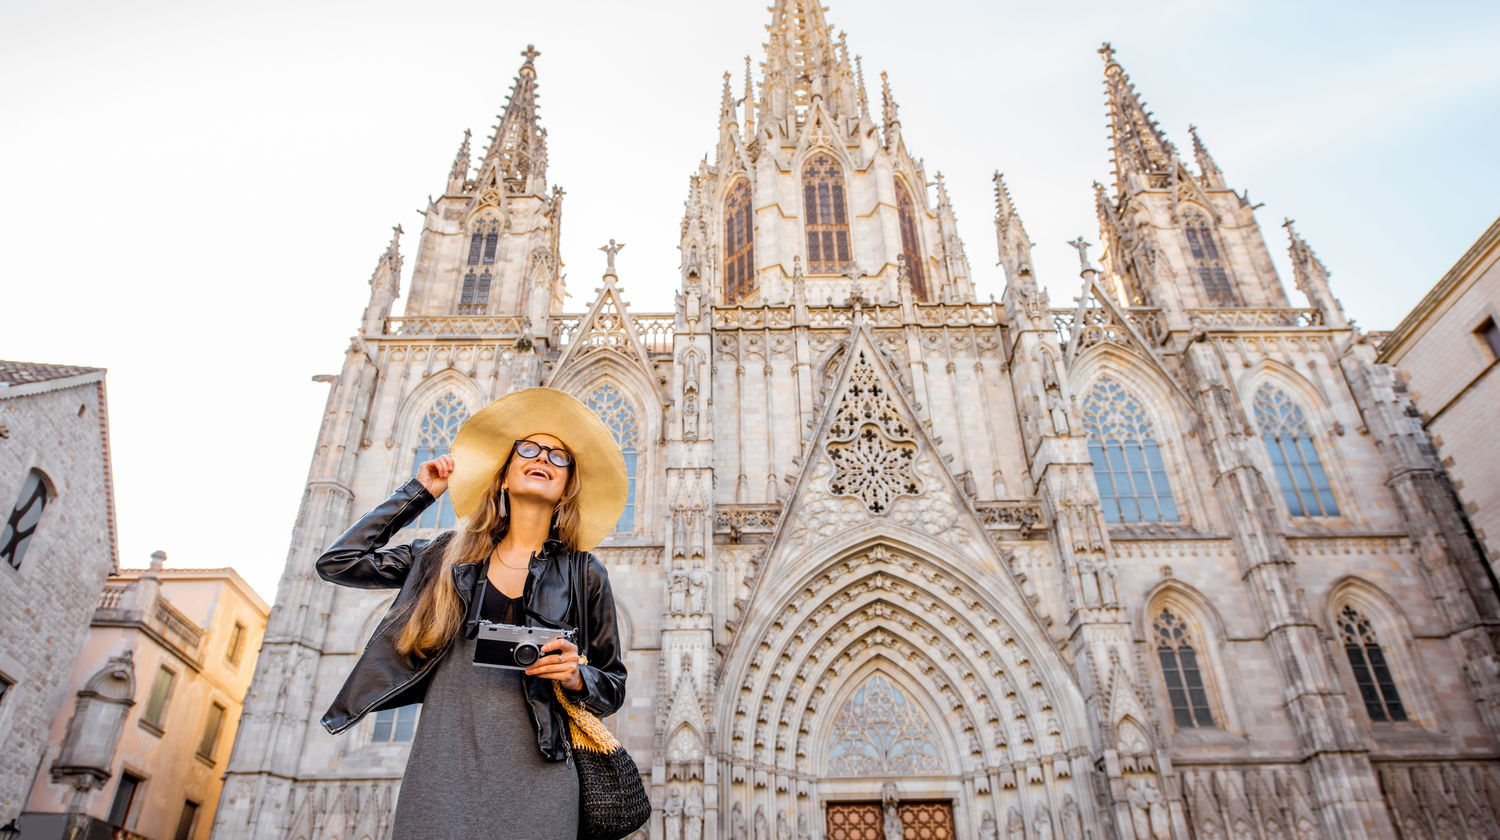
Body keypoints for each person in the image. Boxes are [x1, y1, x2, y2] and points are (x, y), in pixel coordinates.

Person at [316, 387, 630, 838]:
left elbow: (613, 684)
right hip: (444, 763)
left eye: (558, 457)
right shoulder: (442, 557)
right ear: (503, 476)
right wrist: (419, 493)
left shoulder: (584, 572)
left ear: (565, 488)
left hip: (540, 770)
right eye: (529, 448)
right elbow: (338, 562)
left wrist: (575, 675)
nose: (543, 457)